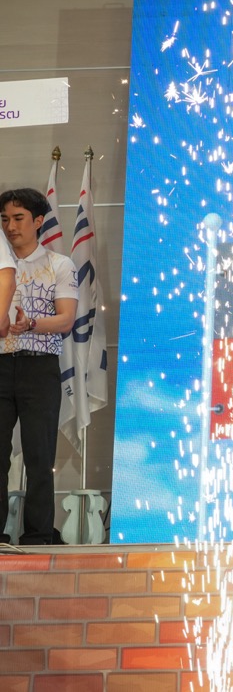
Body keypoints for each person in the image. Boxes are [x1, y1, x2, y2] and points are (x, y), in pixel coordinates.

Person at [0, 188, 78, 545]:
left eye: (18, 218)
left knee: (39, 456)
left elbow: (66, 320)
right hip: (1, 366)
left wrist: (30, 324)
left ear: (38, 221)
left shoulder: (59, 264)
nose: (10, 226)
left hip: (39, 368)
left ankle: (38, 536)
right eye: (5, 219)